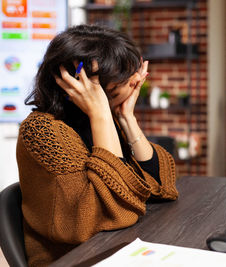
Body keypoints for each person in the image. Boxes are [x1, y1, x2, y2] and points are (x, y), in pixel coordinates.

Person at [16, 24, 179, 266]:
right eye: (125, 80)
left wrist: (127, 119)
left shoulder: (102, 119)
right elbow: (111, 213)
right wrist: (102, 114)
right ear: (80, 84)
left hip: (115, 249)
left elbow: (160, 185)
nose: (137, 82)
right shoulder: (42, 131)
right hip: (73, 259)